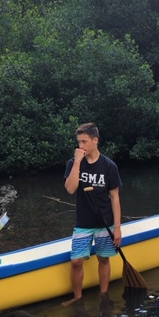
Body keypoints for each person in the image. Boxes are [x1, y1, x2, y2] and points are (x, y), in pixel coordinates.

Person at [62, 122, 122, 307]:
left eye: (84, 142)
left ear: (95, 140)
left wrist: (117, 228)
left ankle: (103, 294)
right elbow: (70, 189)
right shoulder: (73, 163)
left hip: (105, 221)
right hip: (83, 223)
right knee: (76, 261)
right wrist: (77, 162)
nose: (81, 146)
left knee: (103, 258)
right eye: (79, 142)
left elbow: (115, 197)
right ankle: (78, 297)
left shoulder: (109, 166)